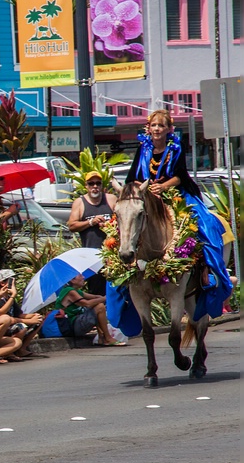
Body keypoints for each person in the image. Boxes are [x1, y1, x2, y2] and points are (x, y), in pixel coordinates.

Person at [124, 109, 232, 318]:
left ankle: (208, 272)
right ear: (149, 128)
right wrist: (144, 187)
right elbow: (131, 177)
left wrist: (162, 187)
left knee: (204, 223)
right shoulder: (142, 149)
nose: (157, 129)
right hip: (146, 194)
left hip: (174, 193)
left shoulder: (175, 148)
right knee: (122, 224)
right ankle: (122, 279)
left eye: (161, 126)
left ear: (169, 129)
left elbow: (181, 176)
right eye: (154, 125)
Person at [67, 170, 117, 296]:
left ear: (102, 186)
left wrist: (109, 224)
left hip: (113, 256)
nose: (95, 187)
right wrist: (91, 222)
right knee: (96, 291)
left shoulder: (111, 199)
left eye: (98, 183)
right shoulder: (79, 202)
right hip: (92, 257)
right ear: (86, 186)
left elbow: (123, 220)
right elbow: (71, 225)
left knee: (116, 290)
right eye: (91, 184)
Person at [55, 273, 127, 346]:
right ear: (72, 280)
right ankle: (108, 338)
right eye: (80, 276)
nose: (83, 277)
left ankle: (101, 338)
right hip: (73, 326)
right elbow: (87, 303)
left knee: (98, 306)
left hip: (77, 323)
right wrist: (105, 298)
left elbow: (96, 297)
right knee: (99, 307)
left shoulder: (76, 291)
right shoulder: (69, 291)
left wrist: (108, 295)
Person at [0, 269, 45, 358]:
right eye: (11, 281)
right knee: (21, 327)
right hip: (4, 326)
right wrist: (29, 321)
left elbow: (19, 314)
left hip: (13, 322)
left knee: (38, 320)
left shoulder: (10, 297)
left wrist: (34, 316)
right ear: (2, 283)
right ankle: (10, 351)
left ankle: (22, 349)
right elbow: (8, 318)